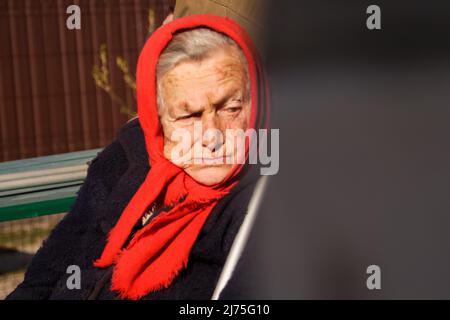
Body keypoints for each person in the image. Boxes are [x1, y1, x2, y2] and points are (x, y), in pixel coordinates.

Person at [7, 14, 269, 300]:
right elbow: (48, 272)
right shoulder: (128, 157)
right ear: (156, 119)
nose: (212, 136)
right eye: (187, 115)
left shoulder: (266, 200)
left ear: (255, 101)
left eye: (231, 108)